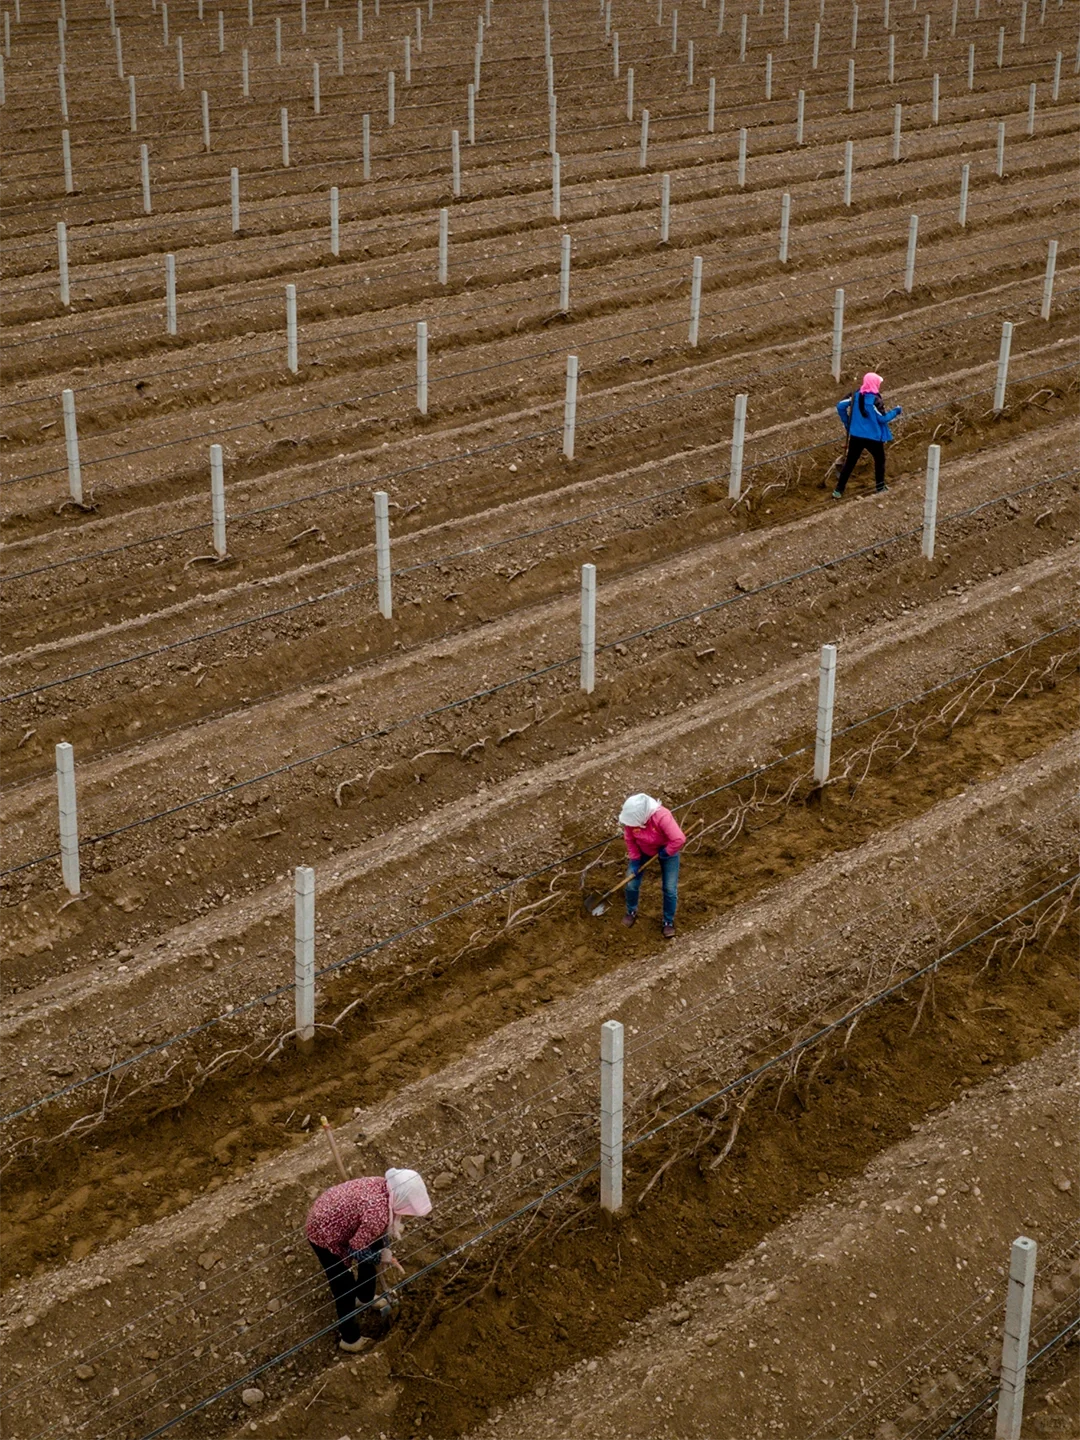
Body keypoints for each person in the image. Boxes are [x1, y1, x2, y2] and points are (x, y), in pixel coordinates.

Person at [305, 1167, 431, 1351]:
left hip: (335, 1216)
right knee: (344, 1285)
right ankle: (350, 1339)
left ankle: (364, 1296)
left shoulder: (386, 1187)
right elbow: (355, 1250)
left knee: (374, 1247)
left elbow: (377, 1234)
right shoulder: (377, 1215)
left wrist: (382, 1248)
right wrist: (381, 1256)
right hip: (324, 1233)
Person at [619, 793, 686, 939]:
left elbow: (679, 839)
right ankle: (631, 911)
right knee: (631, 884)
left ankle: (668, 922)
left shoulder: (662, 816)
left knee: (669, 888)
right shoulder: (632, 821)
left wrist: (666, 852)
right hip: (643, 851)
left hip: (667, 851)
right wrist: (636, 860)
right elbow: (630, 840)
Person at [832, 372, 902, 499]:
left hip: (856, 436)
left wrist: (847, 422)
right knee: (880, 460)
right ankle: (880, 487)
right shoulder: (875, 400)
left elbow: (840, 406)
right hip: (873, 438)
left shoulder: (855, 395)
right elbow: (882, 419)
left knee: (850, 463)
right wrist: (896, 411)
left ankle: (838, 490)